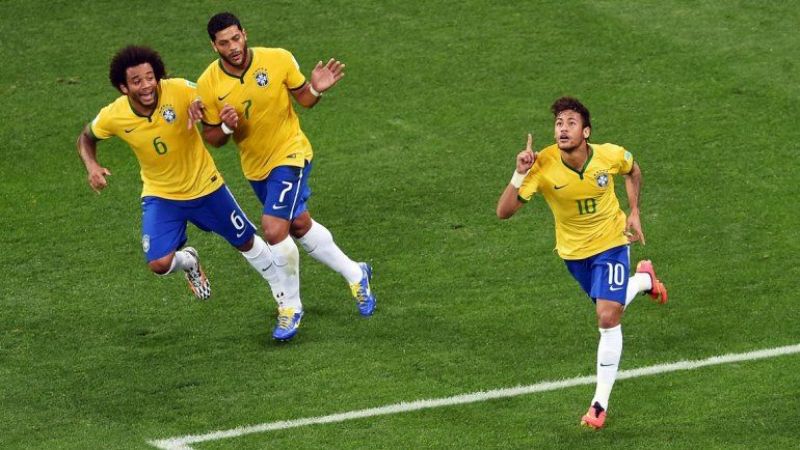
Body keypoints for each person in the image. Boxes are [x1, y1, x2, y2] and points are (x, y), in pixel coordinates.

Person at [192, 12, 376, 342]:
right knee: (299, 225)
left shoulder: (277, 59)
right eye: (224, 43)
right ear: (213, 46)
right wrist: (226, 127)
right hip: (256, 168)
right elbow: (213, 138)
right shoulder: (208, 83)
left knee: (274, 228)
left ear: (245, 34)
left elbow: (304, 98)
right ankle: (356, 272)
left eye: (236, 38)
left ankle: (290, 307)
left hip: (291, 154)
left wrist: (316, 89)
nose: (233, 47)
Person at [496, 96, 668, 429]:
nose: (563, 129)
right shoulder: (543, 166)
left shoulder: (608, 155)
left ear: (586, 132)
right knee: (611, 304)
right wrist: (519, 173)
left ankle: (599, 405)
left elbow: (632, 169)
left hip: (612, 243)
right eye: (559, 123)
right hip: (574, 255)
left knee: (607, 316)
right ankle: (645, 280)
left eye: (571, 123)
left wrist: (634, 211)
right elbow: (503, 212)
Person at [76, 45, 283, 316]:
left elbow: (211, 97)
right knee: (159, 264)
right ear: (123, 87)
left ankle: (284, 295)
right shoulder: (114, 115)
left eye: (150, 77)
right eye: (136, 81)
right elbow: (86, 138)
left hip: (206, 187)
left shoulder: (179, 89)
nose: (146, 86)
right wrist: (92, 166)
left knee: (246, 242)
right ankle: (189, 261)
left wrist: (202, 106)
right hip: (161, 196)